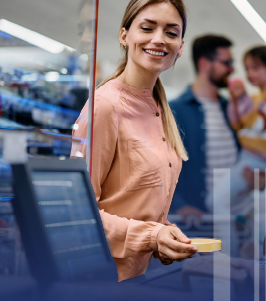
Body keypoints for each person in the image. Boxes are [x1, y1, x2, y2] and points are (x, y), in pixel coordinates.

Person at [72, 0, 197, 282]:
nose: (158, 39)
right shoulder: (105, 107)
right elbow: (80, 215)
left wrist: (166, 237)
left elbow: (134, 203)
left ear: (180, 46)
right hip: (104, 282)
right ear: (124, 35)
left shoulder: (159, 108)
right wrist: (152, 236)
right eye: (147, 27)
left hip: (141, 279)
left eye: (171, 32)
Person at [170, 34, 241, 221]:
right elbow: (160, 169)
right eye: (227, 62)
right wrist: (180, 206)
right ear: (204, 64)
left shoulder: (231, 109)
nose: (232, 69)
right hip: (198, 224)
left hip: (234, 221)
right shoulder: (175, 111)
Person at [220, 45, 266, 216]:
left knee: (219, 201)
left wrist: (242, 99)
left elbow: (258, 124)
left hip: (261, 162)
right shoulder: (253, 99)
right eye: (247, 69)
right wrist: (236, 101)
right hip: (248, 159)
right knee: (242, 211)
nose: (250, 74)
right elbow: (237, 125)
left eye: (255, 68)